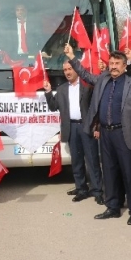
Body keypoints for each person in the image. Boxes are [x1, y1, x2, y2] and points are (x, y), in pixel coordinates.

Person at [64, 44, 131, 225]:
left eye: (117, 63)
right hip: (106, 134)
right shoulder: (103, 79)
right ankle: (113, 207)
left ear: (125, 65)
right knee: (109, 172)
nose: (114, 66)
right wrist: (71, 56)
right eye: (111, 63)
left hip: (124, 134)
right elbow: (85, 75)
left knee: (129, 173)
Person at [43, 60, 103, 204]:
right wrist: (48, 91)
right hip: (71, 128)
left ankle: (97, 190)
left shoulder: (87, 87)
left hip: (86, 127)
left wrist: (97, 127)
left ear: (76, 69)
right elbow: (53, 107)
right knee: (76, 161)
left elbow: (96, 108)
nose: (68, 72)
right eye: (65, 70)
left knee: (92, 160)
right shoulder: (62, 89)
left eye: (70, 69)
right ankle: (81, 189)